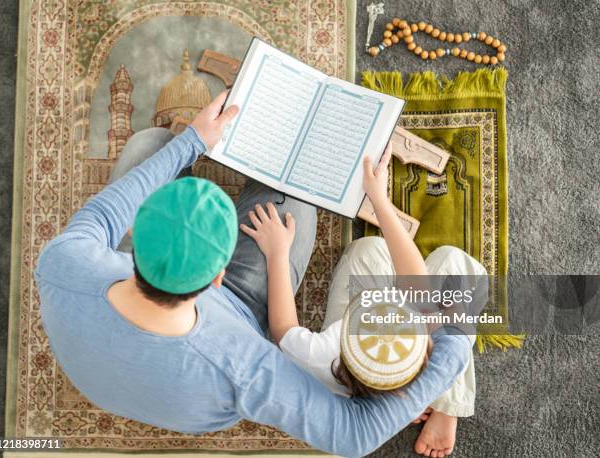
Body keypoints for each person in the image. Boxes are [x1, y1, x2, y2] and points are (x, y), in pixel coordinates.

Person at [35, 91, 472, 457]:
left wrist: (193, 141)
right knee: (291, 194)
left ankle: (185, 157)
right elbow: (354, 436)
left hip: (108, 371)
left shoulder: (65, 259)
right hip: (220, 340)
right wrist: (454, 342)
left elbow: (106, 209)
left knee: (149, 142)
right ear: (218, 277)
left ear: (133, 235)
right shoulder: (247, 367)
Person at [241, 143, 488, 457]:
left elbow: (283, 330)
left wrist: (277, 253)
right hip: (415, 380)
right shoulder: (442, 353)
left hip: (390, 379)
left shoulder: (322, 354)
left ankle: (441, 403)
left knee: (369, 250)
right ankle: (445, 401)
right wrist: (378, 198)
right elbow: (419, 286)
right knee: (455, 263)